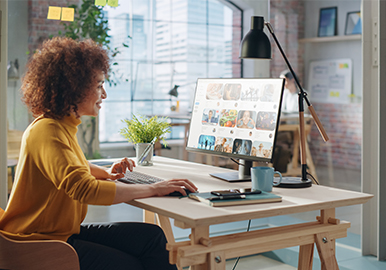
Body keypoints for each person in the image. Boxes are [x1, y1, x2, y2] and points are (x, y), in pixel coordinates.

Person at [0, 37, 197, 270]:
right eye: (98, 85)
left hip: (60, 233)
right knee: (131, 264)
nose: (104, 94)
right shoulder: (48, 130)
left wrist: (105, 173)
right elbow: (83, 188)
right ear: (73, 88)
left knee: (152, 238)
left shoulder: (61, 126)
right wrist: (154, 188)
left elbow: (71, 168)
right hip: (36, 241)